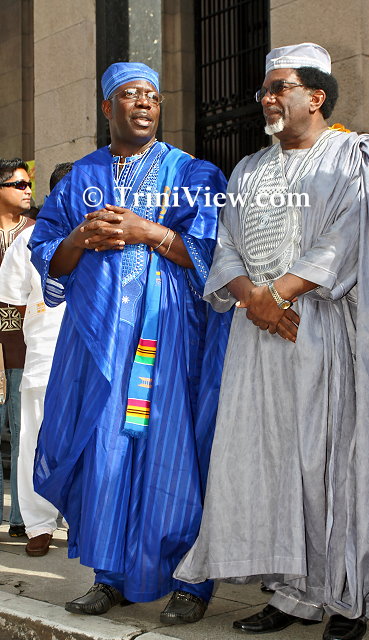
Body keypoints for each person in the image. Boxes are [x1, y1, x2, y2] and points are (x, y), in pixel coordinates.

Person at [174, 43, 369, 640]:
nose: (267, 99)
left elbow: (348, 238)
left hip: (321, 329)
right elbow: (225, 245)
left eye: (280, 87)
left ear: (316, 96)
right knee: (270, 463)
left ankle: (344, 595)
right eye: (264, 90)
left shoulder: (354, 156)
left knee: (328, 462)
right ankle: (291, 592)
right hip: (257, 336)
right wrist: (255, 300)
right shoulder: (249, 169)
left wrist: (281, 294)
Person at [29, 62, 230, 623]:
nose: (144, 103)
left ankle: (191, 580)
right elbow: (48, 257)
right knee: (107, 452)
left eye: (152, 96)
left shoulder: (194, 173)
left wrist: (150, 232)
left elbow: (218, 257)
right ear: (106, 107)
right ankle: (110, 575)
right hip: (99, 346)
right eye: (130, 94)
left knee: (173, 452)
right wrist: (78, 237)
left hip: (166, 340)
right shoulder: (81, 177)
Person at [0, 162, 73, 557]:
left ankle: (82, 519)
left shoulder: (107, 237)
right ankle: (39, 524)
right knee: (34, 438)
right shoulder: (29, 240)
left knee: (87, 438)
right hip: (44, 354)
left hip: (93, 357)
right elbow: (12, 298)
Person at [0, 158, 33, 538]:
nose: (27, 190)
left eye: (28, 184)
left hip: (27, 350)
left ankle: (21, 518)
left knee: (25, 436)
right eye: (18, 184)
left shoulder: (36, 232)